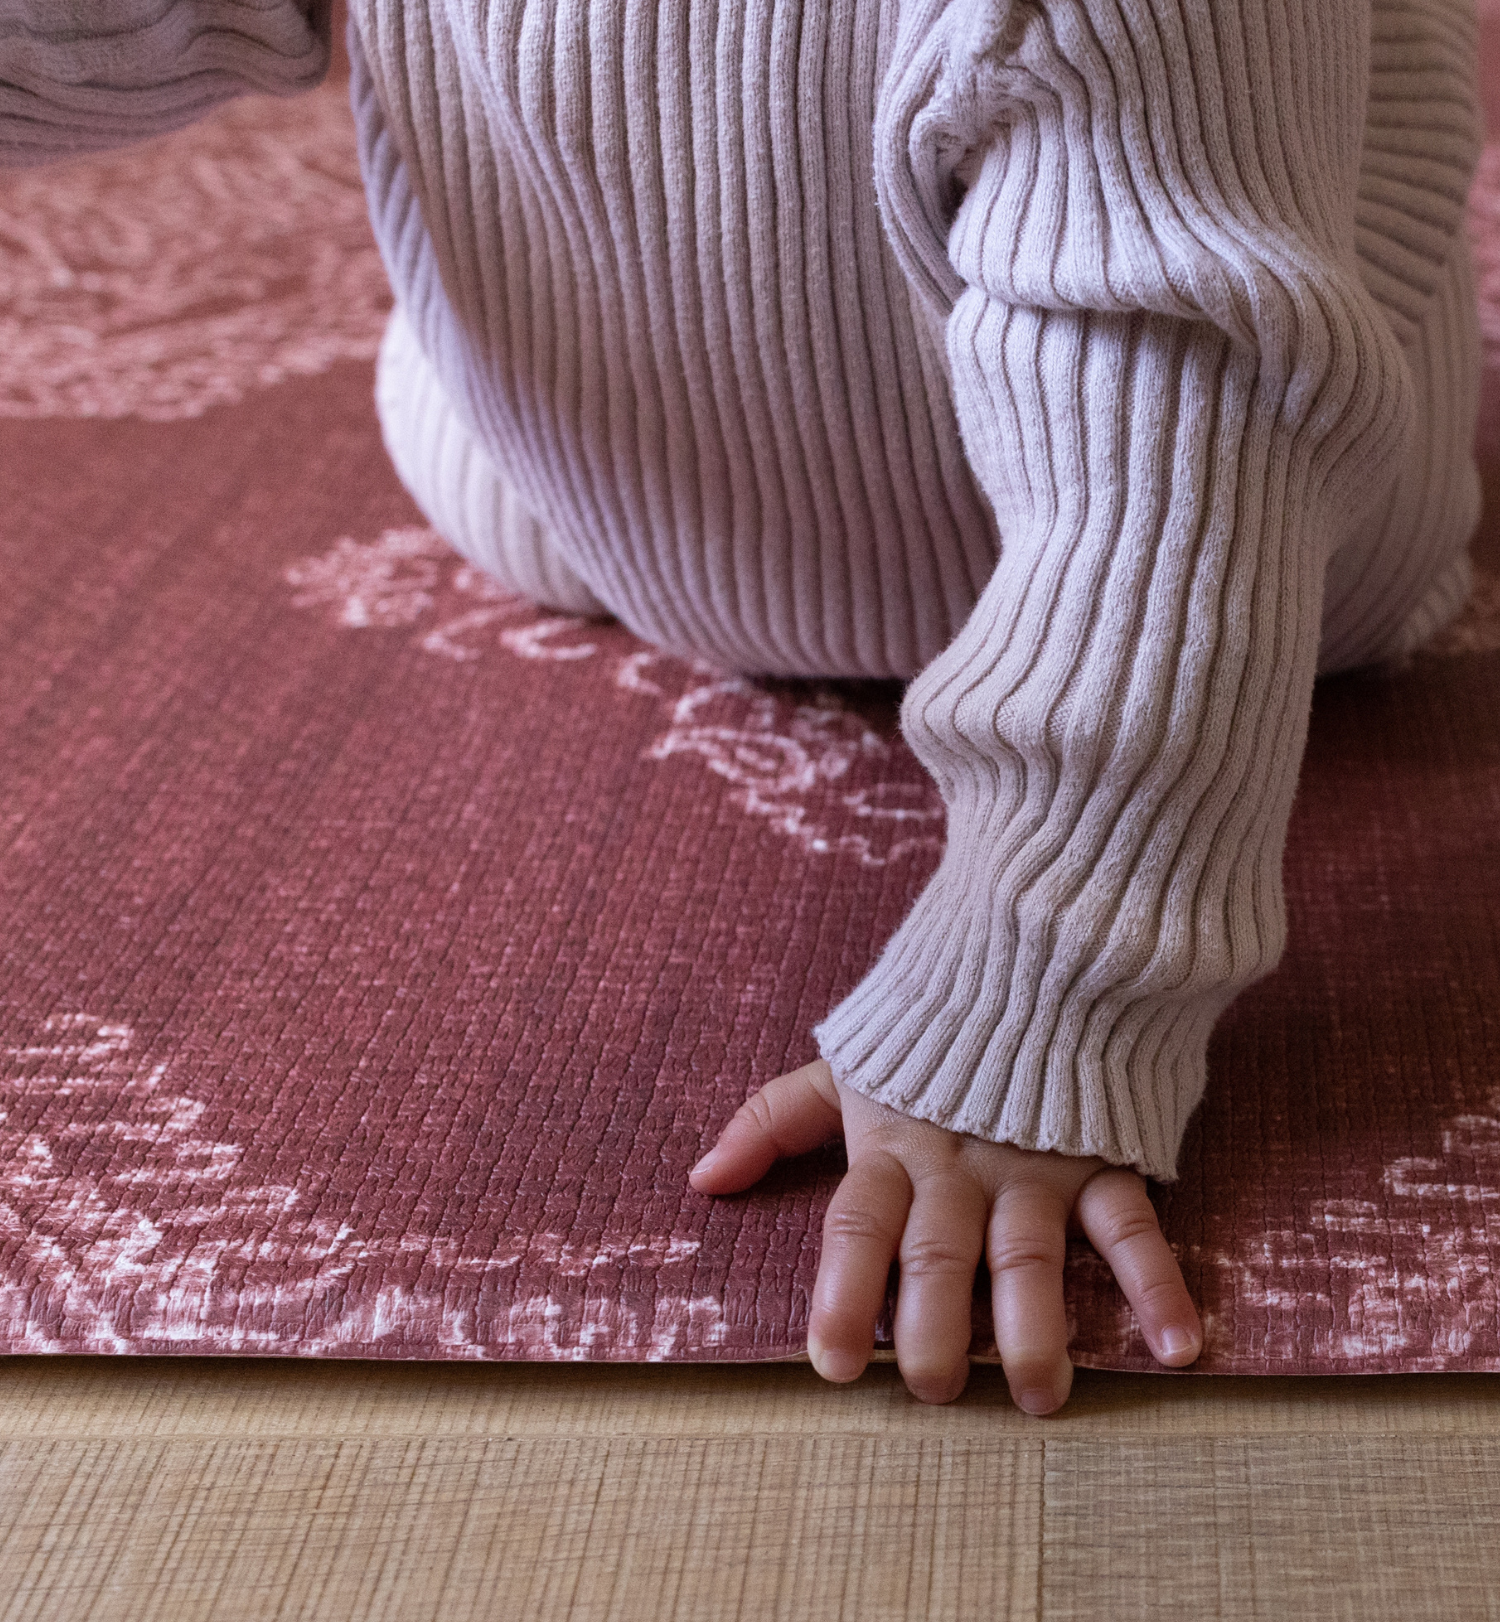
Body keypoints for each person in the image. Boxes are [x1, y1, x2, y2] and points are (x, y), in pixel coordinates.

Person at [3, 0, 1482, 1412]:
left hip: (1256, 555)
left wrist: (1046, 985)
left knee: (1211, 351)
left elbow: (1191, 414)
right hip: (618, 499)